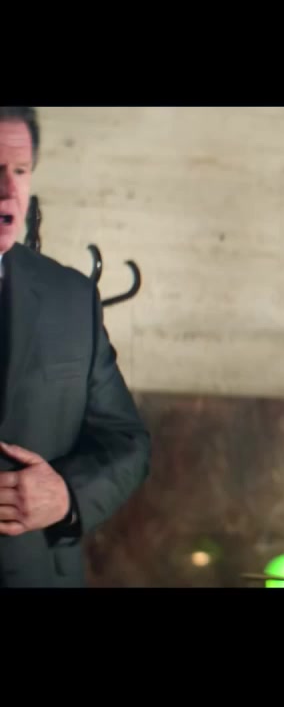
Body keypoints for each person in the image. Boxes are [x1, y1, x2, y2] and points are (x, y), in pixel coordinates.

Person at [0, 106, 150, 587]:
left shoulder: (71, 298)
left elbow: (126, 444)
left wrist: (65, 496)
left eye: (20, 171)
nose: (8, 191)